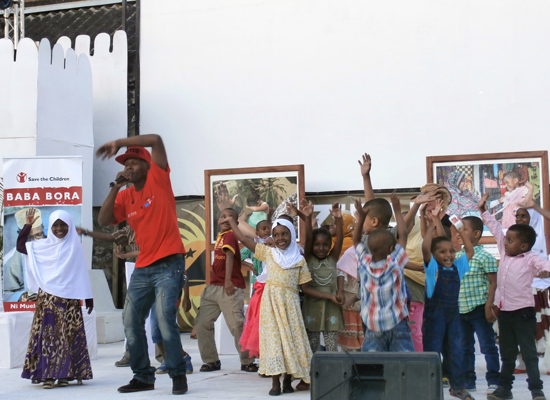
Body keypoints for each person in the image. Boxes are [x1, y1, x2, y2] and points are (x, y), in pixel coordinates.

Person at [96, 134, 188, 395]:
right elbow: (104, 219)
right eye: (126, 164)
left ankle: (178, 374)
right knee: (130, 321)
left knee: (164, 318)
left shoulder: (159, 178)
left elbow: (158, 139)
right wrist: (115, 186)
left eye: (134, 162)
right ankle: (143, 376)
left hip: (169, 261)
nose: (129, 167)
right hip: (144, 266)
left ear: (148, 165)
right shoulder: (125, 196)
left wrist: (119, 143)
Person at [221, 213, 341, 395]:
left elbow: (306, 288)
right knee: (274, 342)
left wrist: (329, 297)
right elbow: (244, 240)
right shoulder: (269, 253)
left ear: (292, 234)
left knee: (290, 342)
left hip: (291, 308)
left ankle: (287, 381)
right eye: (276, 235)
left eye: (284, 234)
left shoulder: (299, 260)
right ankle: (275, 382)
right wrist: (232, 223)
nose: (280, 238)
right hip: (271, 307)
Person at [479, 193, 550, 400]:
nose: (505, 243)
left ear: (524, 246)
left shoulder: (530, 258)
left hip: (524, 314)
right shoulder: (504, 248)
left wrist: (546, 271)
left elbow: (545, 266)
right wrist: (483, 210)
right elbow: (493, 226)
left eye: (510, 241)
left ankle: (536, 390)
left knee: (528, 354)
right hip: (506, 313)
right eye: (506, 240)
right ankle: (505, 389)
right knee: (507, 355)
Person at [18, 208, 93, 389]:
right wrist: (28, 225)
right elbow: (21, 246)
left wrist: (89, 297)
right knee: (49, 337)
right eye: (56, 225)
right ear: (50, 227)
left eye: (64, 225)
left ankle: (65, 374)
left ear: (70, 226)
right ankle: (48, 376)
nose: (60, 229)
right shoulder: (42, 246)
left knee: (68, 336)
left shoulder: (75, 246)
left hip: (70, 300)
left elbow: (80, 273)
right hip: (49, 299)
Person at [195, 208, 257, 373]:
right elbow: (230, 261)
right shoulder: (220, 238)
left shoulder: (230, 235)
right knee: (202, 323)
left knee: (237, 324)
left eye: (229, 217)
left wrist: (228, 280)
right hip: (213, 287)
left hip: (228, 287)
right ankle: (211, 360)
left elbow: (229, 258)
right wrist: (248, 266)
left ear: (236, 223)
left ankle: (247, 360)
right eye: (222, 216)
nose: (225, 219)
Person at [422, 210, 475, 400]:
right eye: (443, 252)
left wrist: (460, 231)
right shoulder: (432, 268)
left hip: (453, 317)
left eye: (451, 251)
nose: (449, 255)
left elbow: (469, 251)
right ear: (434, 255)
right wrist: (430, 225)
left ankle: (457, 387)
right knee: (432, 351)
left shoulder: (457, 267)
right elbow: (425, 248)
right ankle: (429, 387)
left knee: (455, 352)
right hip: (434, 318)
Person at [353, 192, 414, 352]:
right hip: (397, 323)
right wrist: (397, 209)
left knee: (373, 366)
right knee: (403, 364)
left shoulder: (364, 262)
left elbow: (356, 240)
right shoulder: (395, 262)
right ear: (391, 249)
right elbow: (403, 236)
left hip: (373, 326)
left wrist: (361, 217)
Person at [291, 201, 344, 353]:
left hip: (331, 307)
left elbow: (339, 240)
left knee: (331, 345)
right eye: (317, 245)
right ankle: (313, 374)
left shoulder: (332, 259)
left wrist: (338, 219)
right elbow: (308, 238)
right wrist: (308, 217)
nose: (321, 248)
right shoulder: (309, 259)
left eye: (325, 245)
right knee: (312, 345)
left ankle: (332, 373)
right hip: (312, 306)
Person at [455, 216, 500, 394]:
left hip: (479, 308)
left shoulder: (484, 257)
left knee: (487, 345)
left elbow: (492, 283)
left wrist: (489, 307)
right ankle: (468, 380)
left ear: (476, 234)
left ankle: (494, 380)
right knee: (464, 347)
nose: (459, 233)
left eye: (463, 229)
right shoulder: (458, 256)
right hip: (460, 310)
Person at [239, 220, 272, 359]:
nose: (267, 231)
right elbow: (238, 256)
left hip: (271, 286)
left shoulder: (273, 245)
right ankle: (257, 351)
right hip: (258, 286)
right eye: (264, 229)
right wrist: (250, 266)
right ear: (257, 233)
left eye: (269, 229)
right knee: (256, 318)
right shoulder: (254, 246)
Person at [3, 208, 44, 302]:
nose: (35, 241)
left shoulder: (51, 249)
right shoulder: (10, 261)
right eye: (29, 237)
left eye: (38, 235)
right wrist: (22, 297)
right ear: (20, 234)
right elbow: (5, 294)